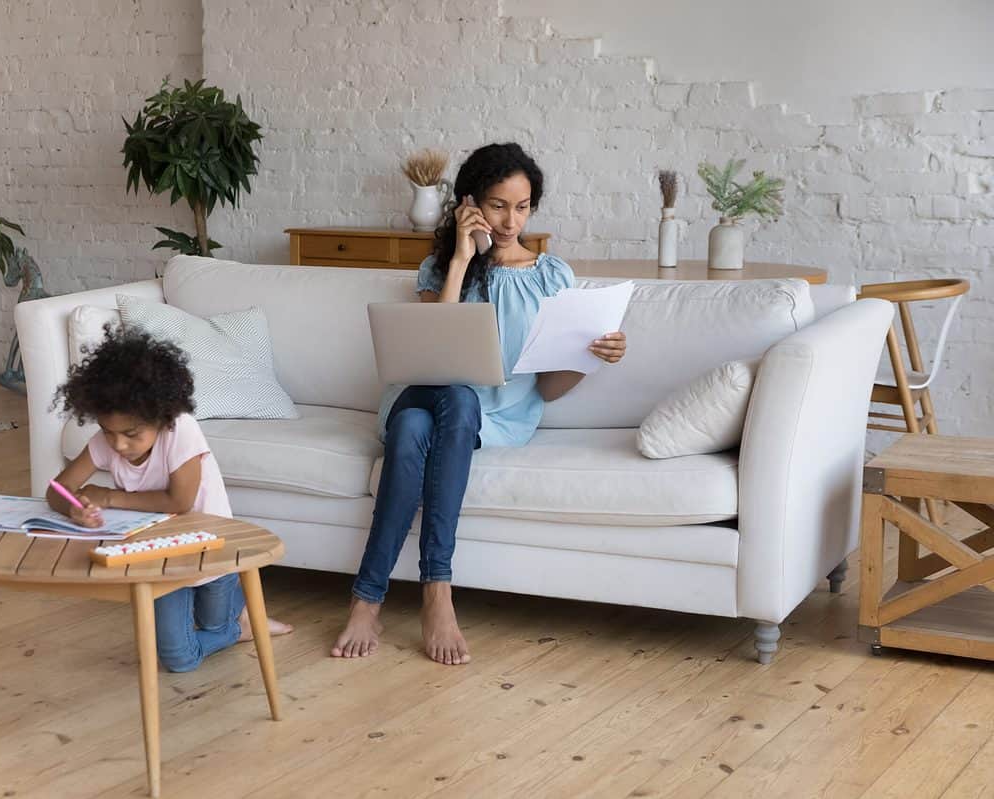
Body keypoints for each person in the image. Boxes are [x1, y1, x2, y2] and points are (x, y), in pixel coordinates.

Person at [332, 142, 628, 666]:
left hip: (495, 417)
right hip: (424, 391)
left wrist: (592, 357)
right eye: (497, 205)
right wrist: (462, 259)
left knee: (415, 432)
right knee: (450, 397)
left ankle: (369, 597)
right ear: (470, 204)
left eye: (522, 206)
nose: (511, 220)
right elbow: (428, 356)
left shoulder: (551, 277)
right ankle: (437, 592)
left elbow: (547, 390)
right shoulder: (439, 267)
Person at [49, 328, 292, 672]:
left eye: (131, 434)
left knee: (212, 625)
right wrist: (73, 508)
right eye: (108, 431)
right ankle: (238, 625)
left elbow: (179, 501)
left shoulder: (180, 429)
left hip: (211, 550)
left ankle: (240, 621)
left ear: (161, 418)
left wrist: (108, 497)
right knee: (178, 659)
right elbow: (57, 489)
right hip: (158, 559)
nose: (118, 445)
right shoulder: (108, 440)